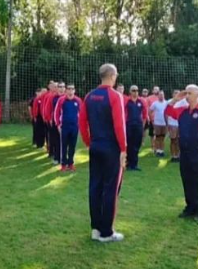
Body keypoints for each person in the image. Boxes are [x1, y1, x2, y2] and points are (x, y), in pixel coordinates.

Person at [79, 64, 127, 243]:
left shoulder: (89, 96)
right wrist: (123, 148)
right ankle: (107, 232)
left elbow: (82, 122)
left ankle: (96, 229)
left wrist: (89, 142)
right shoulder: (115, 96)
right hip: (111, 148)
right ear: (113, 76)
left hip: (96, 146)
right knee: (110, 188)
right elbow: (119, 125)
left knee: (95, 186)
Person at [165, 85, 198, 222]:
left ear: (197, 95)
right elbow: (168, 111)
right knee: (186, 179)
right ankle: (190, 207)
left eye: (190, 93)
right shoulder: (182, 111)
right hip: (185, 152)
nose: (187, 96)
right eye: (186, 93)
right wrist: (174, 100)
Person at [55, 84, 83, 172]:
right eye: (69, 89)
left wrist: (81, 125)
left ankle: (71, 163)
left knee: (72, 146)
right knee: (64, 146)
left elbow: (82, 114)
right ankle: (63, 164)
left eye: (72, 89)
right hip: (65, 127)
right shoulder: (61, 100)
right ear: (66, 90)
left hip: (74, 127)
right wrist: (58, 125)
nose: (70, 91)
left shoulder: (78, 100)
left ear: (74, 90)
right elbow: (56, 113)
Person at [123, 85, 148, 171]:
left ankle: (135, 164)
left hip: (138, 125)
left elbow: (145, 115)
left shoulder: (141, 101)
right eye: (133, 90)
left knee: (137, 144)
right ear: (130, 91)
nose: (135, 92)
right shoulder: (126, 101)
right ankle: (128, 164)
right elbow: (122, 113)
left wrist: (142, 126)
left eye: (137, 90)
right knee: (129, 144)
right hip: (129, 125)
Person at [149, 92, 169, 158]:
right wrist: (152, 119)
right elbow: (150, 111)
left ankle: (161, 150)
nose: (161, 96)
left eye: (162, 95)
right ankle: (157, 150)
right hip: (157, 123)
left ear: (164, 95)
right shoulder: (155, 103)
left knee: (162, 137)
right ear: (158, 96)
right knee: (157, 137)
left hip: (164, 123)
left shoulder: (167, 103)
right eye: (160, 95)